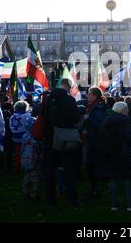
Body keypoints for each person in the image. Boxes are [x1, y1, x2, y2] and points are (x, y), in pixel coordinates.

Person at [41, 79, 81, 209]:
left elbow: (42, 117)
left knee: (49, 171)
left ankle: (51, 199)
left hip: (49, 139)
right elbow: (75, 118)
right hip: (65, 139)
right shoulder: (69, 100)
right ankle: (72, 198)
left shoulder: (47, 99)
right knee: (69, 170)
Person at [96, 102, 131, 211]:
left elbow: (101, 137)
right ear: (123, 110)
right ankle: (129, 205)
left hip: (110, 154)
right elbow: (130, 138)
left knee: (113, 179)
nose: (128, 111)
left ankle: (114, 204)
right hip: (124, 154)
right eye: (127, 109)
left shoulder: (106, 121)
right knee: (127, 179)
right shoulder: (125, 121)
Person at [82, 87, 107, 198]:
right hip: (91, 139)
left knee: (93, 165)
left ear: (95, 96)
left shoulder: (99, 108)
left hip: (96, 141)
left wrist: (88, 119)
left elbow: (100, 125)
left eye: (89, 94)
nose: (87, 95)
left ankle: (96, 189)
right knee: (91, 165)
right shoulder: (91, 107)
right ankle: (95, 188)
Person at [20, 116, 43, 200]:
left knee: (26, 176)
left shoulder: (24, 136)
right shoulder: (36, 138)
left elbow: (22, 148)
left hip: (25, 159)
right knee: (35, 177)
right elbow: (39, 148)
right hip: (34, 159)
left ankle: (25, 192)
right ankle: (35, 193)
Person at [9, 101, 32, 174]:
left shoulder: (12, 117)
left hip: (15, 138)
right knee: (27, 153)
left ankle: (17, 168)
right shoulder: (27, 115)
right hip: (26, 138)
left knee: (18, 154)